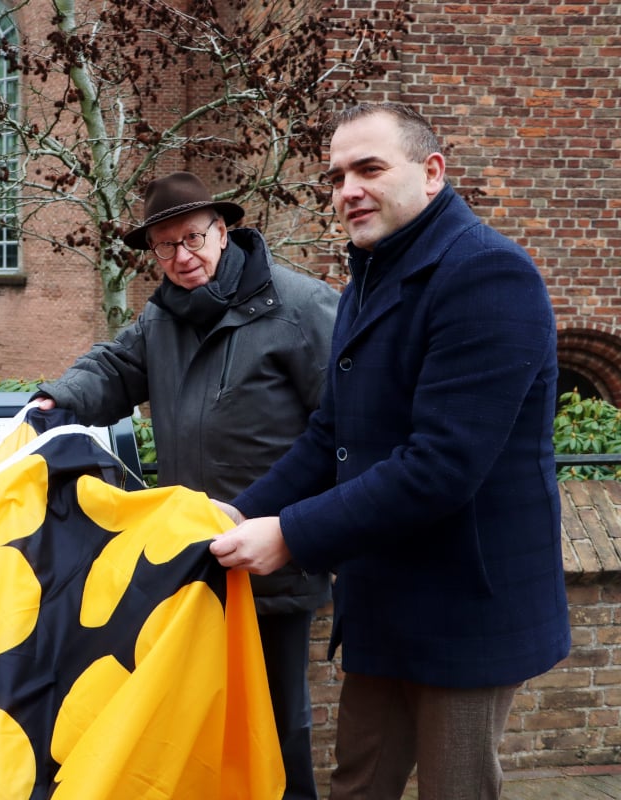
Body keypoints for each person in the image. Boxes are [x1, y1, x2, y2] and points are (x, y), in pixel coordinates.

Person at [210, 103, 571, 800]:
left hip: (467, 610)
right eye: (338, 174)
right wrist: (235, 512)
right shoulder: (369, 278)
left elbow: (441, 466)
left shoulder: (489, 276)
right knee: (356, 785)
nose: (348, 189)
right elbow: (330, 437)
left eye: (370, 168)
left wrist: (288, 534)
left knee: (455, 790)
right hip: (384, 602)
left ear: (432, 173)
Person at [35, 170, 339, 799]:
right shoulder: (163, 316)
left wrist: (310, 529)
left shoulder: (301, 305)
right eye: (165, 247)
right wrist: (57, 400)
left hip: (271, 552)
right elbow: (114, 368)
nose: (181, 257)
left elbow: (345, 424)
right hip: (192, 558)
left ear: (223, 232)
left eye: (193, 239)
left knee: (279, 720)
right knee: (199, 715)